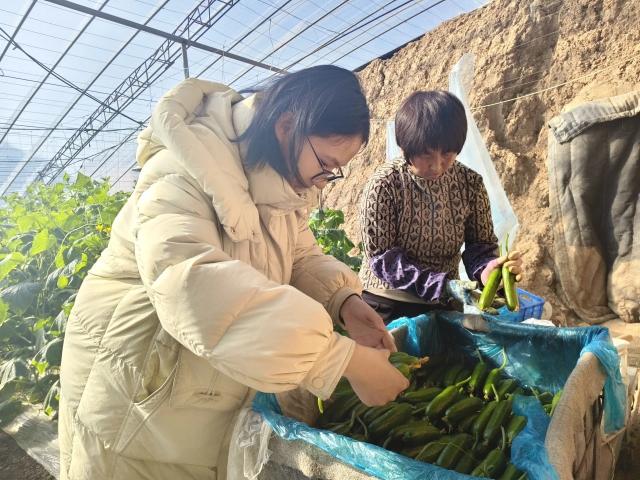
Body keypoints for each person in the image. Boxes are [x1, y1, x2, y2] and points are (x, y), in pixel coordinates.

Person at [58, 65, 409, 480]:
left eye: (334, 172)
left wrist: (344, 301)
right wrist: (340, 359)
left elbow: (300, 255)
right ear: (286, 127)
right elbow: (192, 287)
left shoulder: (277, 184)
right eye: (324, 165)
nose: (322, 182)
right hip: (136, 400)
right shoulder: (182, 173)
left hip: (190, 393)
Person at [359, 90, 523, 322]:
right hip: (387, 301)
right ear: (405, 148)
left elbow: (480, 245)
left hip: (444, 303)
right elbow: (383, 259)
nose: (437, 165)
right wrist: (440, 285)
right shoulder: (384, 185)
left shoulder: (470, 183)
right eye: (426, 154)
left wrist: (486, 271)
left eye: (447, 153)